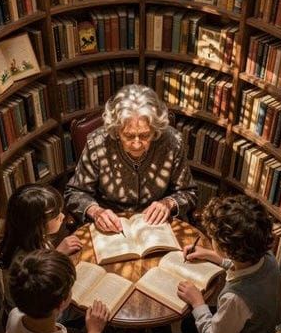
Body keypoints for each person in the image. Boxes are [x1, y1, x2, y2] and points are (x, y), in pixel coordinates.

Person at [161, 192, 281, 333]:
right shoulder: (267, 258)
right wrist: (211, 255)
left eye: (213, 240)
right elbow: (241, 265)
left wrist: (197, 301)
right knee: (187, 323)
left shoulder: (236, 298)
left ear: (226, 248)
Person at [64, 83, 196, 228]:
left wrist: (168, 203)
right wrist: (96, 212)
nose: (137, 144)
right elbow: (75, 192)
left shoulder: (172, 142)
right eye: (128, 135)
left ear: (155, 129)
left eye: (145, 135)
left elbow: (188, 191)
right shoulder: (98, 143)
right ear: (116, 130)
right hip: (112, 226)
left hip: (155, 226)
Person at [0, 185, 84, 304]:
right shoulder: (23, 262)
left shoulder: (29, 239)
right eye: (56, 216)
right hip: (41, 312)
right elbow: (43, 303)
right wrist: (57, 255)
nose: (63, 217)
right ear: (38, 225)